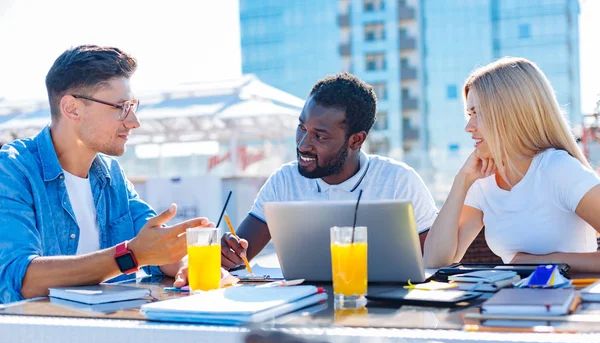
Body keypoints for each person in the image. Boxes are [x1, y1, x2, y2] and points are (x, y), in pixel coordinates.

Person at [0, 45, 222, 343]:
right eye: (121, 108)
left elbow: (156, 243)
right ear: (71, 108)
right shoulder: (12, 169)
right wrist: (129, 256)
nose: (133, 122)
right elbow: (22, 278)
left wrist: (185, 265)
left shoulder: (110, 176)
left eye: (132, 107)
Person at [221, 72, 438, 269]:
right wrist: (227, 253)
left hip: (384, 308)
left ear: (356, 140)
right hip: (303, 308)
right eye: (302, 128)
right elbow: (238, 256)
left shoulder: (399, 181)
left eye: (320, 136)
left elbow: (435, 261)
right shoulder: (284, 181)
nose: (303, 144)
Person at [423, 57, 600, 272]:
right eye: (469, 114)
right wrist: (462, 181)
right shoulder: (483, 180)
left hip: (570, 302)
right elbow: (435, 263)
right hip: (511, 303)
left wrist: (543, 262)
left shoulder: (558, 170)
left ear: (510, 113)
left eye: (478, 113)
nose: (468, 127)